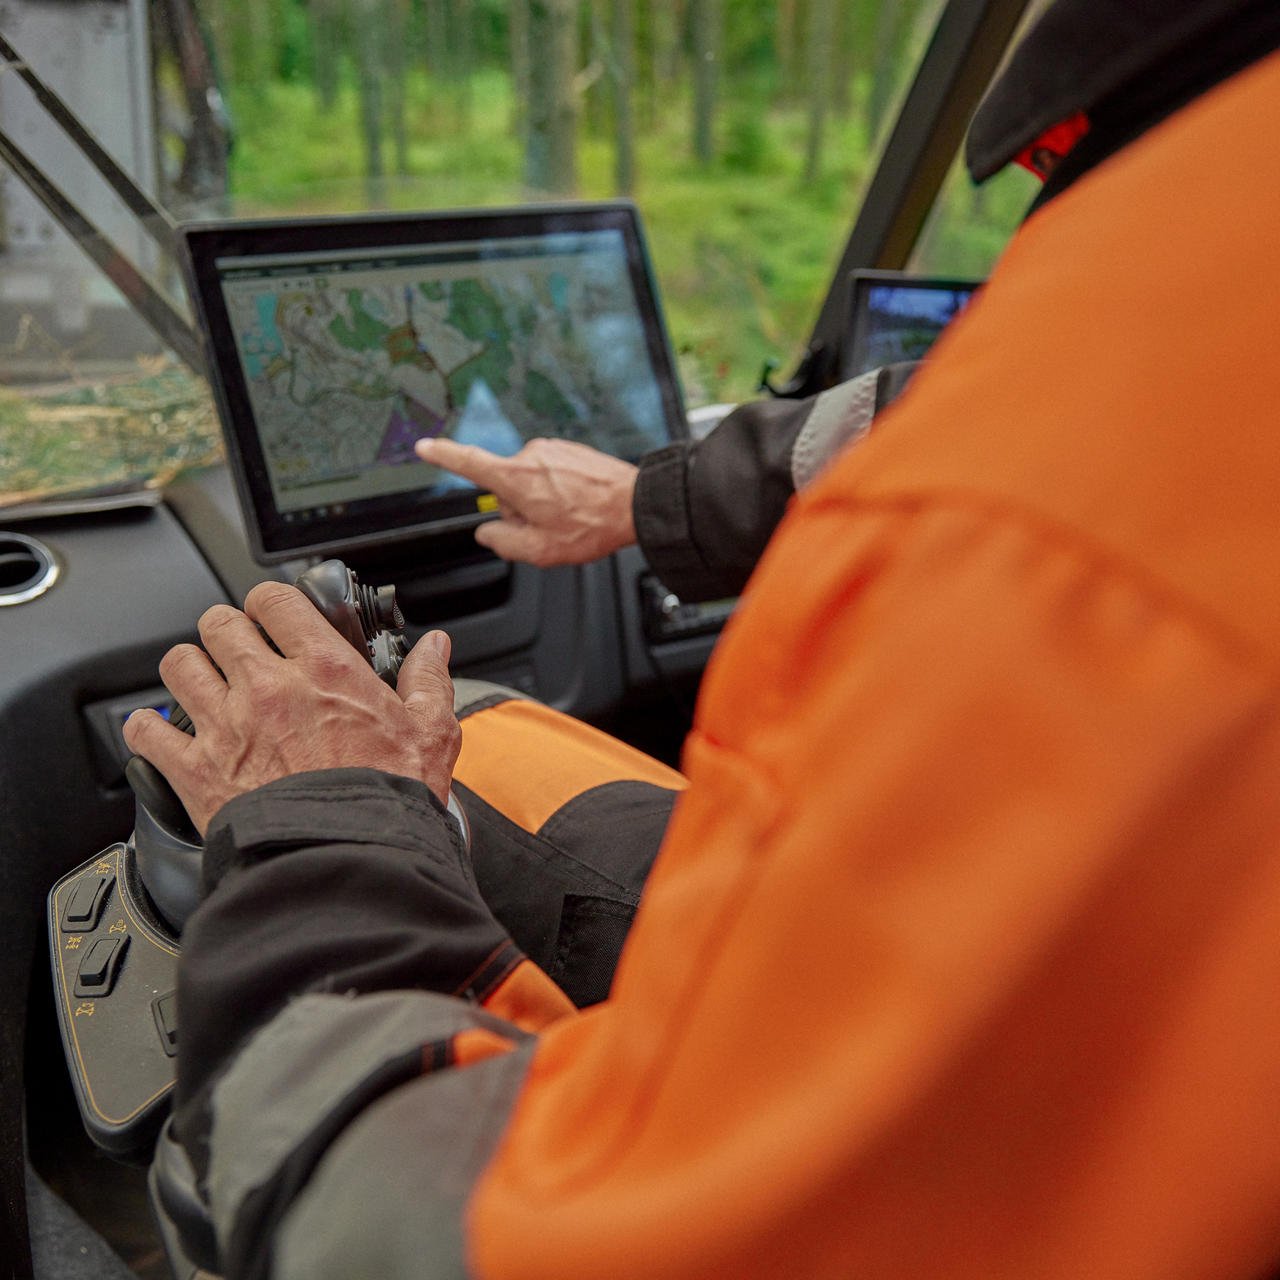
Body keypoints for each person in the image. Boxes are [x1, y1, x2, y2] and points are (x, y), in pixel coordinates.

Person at [123, 2, 1280, 1276]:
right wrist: (650, 500)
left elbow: (500, 1242)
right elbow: (956, 397)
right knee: (495, 742)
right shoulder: (1208, 199)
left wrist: (315, 834)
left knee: (433, 789)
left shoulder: (1056, 555)